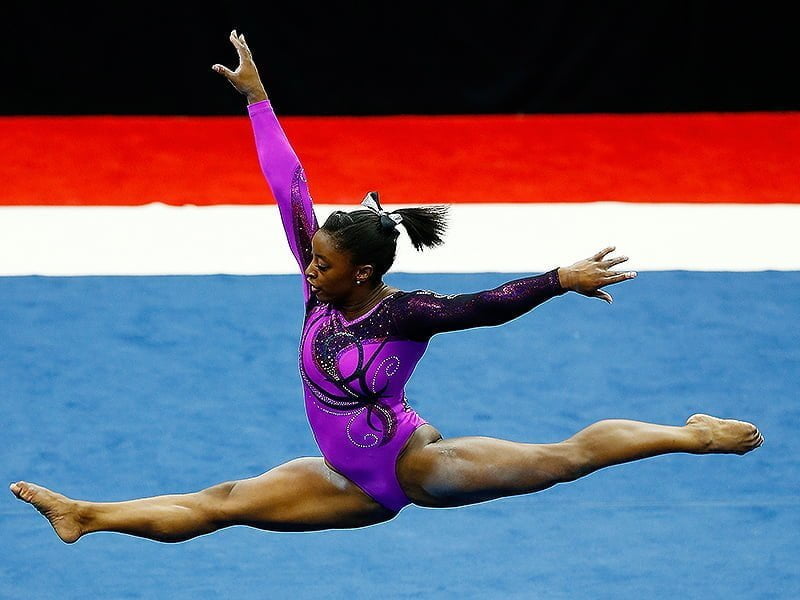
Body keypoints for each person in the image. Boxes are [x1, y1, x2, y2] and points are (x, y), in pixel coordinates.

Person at [9, 31, 763, 544]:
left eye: (324, 265)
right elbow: (289, 185)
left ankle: (692, 434)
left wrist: (559, 278)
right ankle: (83, 515)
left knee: (566, 458)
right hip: (345, 476)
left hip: (411, 467)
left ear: (363, 271)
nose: (309, 269)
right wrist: (259, 99)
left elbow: (486, 308)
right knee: (222, 505)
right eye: (311, 260)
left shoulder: (406, 316)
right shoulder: (320, 287)